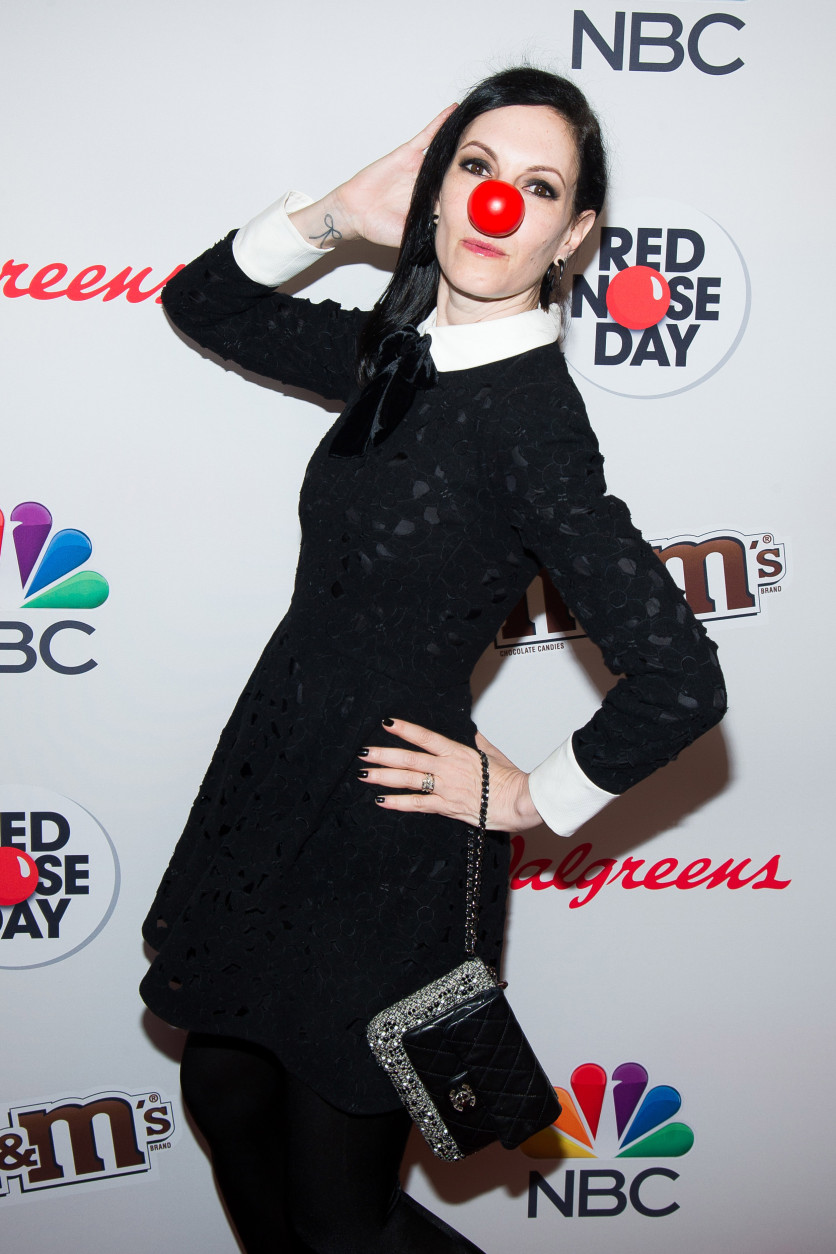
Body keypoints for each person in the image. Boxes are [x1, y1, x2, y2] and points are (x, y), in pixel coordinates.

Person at [140, 66, 726, 1254]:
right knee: (226, 1090)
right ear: (440, 185)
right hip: (278, 780)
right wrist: (336, 215)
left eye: (539, 186)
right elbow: (205, 305)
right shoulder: (394, 356)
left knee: (339, 1210)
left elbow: (680, 678)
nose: (497, 204)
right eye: (476, 167)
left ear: (573, 236)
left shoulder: (529, 418)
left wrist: (524, 797)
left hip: (384, 835)